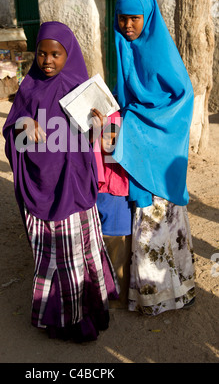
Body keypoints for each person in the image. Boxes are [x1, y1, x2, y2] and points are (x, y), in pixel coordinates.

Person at [3, 21, 119, 341]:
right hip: (43, 184)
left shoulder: (79, 87)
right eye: (42, 54)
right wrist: (23, 125)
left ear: (69, 54)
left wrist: (99, 125)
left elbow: (101, 138)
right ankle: (66, 320)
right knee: (58, 257)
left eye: (56, 54)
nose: (48, 61)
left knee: (82, 250)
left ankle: (93, 308)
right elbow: (12, 128)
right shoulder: (29, 87)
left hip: (75, 182)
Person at [112, 0, 195, 315]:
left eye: (135, 19)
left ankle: (170, 294)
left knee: (158, 220)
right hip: (138, 145)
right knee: (145, 223)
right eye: (122, 19)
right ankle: (150, 294)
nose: (128, 25)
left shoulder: (161, 52)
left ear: (148, 18)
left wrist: (136, 123)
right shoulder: (122, 45)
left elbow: (182, 98)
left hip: (158, 152)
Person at [93, 110, 133, 308]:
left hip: (113, 189)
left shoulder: (115, 115)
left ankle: (115, 297)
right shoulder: (115, 114)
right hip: (107, 190)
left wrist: (97, 132)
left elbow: (111, 147)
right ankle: (111, 294)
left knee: (114, 247)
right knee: (111, 246)